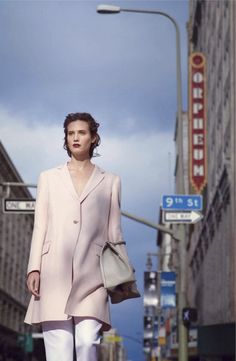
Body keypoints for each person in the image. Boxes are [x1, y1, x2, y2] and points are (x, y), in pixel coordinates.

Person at [25, 112, 130, 361]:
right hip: (54, 272)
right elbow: (40, 226)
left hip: (93, 274)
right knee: (59, 350)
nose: (75, 138)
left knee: (86, 343)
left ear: (93, 138)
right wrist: (34, 268)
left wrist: (125, 272)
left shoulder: (111, 181)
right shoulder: (48, 178)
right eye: (70, 133)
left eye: (81, 133)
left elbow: (114, 231)